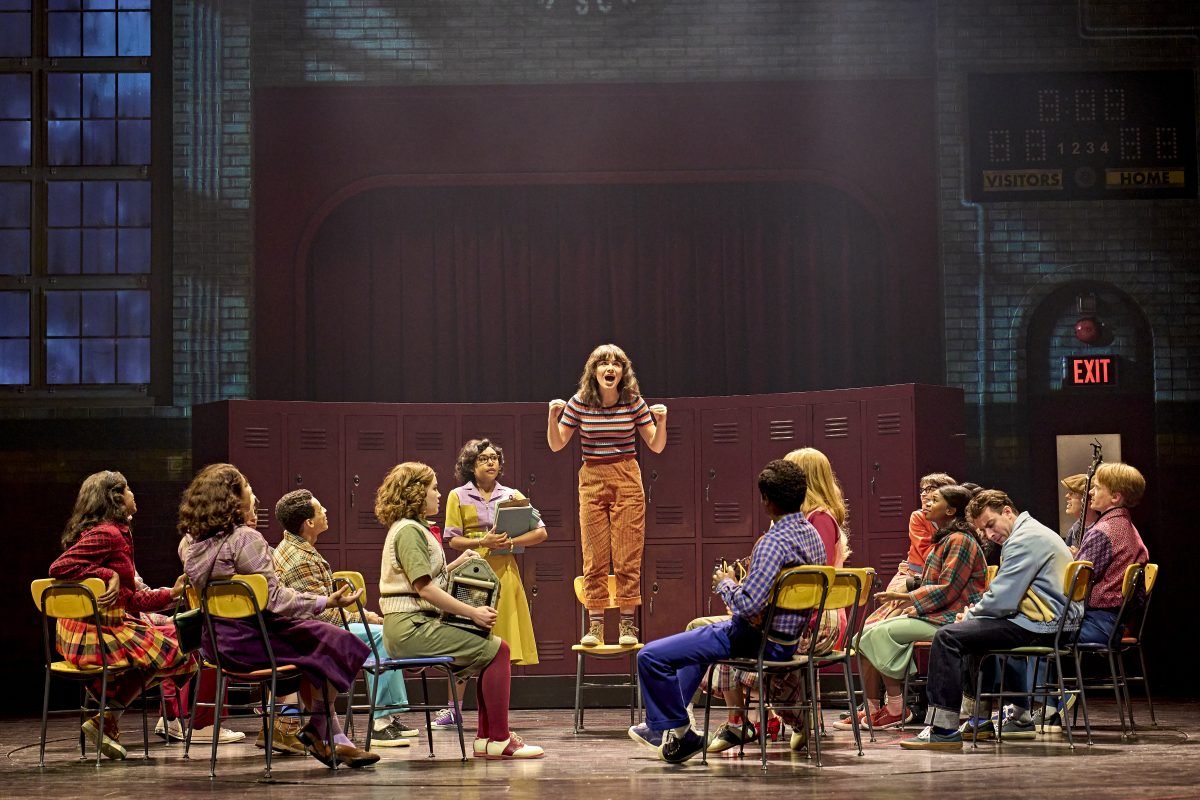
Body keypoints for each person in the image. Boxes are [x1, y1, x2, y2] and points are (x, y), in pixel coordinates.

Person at [179, 463, 379, 768]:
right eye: (247, 487)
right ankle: (319, 728)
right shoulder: (246, 539)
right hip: (252, 641)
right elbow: (274, 599)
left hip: (216, 643)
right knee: (336, 641)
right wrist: (327, 600)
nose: (253, 492)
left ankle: (331, 737)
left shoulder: (191, 544)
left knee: (318, 639)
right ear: (232, 498)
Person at [628, 459, 825, 764]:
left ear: (766, 501)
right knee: (697, 640)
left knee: (650, 657)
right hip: (787, 640)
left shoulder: (772, 543)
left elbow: (748, 605)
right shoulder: (813, 537)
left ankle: (679, 730)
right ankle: (672, 734)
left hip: (756, 639)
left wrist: (727, 584)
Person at [375, 462, 544, 759]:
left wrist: (456, 562)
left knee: (490, 650)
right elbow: (425, 589)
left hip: (415, 624)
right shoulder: (409, 532)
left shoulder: (414, 529)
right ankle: (499, 740)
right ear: (416, 493)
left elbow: (429, 579)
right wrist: (472, 612)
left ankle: (486, 739)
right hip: (411, 628)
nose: (439, 495)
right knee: (498, 650)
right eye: (433, 489)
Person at [900, 489, 1075, 751]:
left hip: (1042, 625)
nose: (990, 535)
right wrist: (973, 618)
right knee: (971, 633)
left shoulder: (1025, 539)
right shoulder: (1032, 532)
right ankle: (1002, 718)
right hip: (1049, 622)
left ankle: (943, 729)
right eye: (983, 531)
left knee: (948, 636)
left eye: (991, 525)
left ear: (1007, 511)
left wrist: (969, 615)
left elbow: (1003, 599)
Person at [705, 447, 850, 753]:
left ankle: (747, 722)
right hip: (797, 613)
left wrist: (733, 588)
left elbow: (809, 581)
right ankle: (761, 719)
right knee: (725, 628)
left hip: (812, 618)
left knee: (732, 634)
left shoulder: (818, 521)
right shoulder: (802, 520)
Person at [47, 470, 197, 760]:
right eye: (128, 490)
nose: (133, 495)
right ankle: (107, 717)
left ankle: (105, 716)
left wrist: (172, 593)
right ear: (115, 499)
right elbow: (58, 568)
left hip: (96, 628)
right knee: (176, 647)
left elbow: (132, 600)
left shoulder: (117, 533)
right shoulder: (108, 534)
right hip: (90, 634)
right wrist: (108, 573)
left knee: (176, 644)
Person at [273, 489, 417, 747]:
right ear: (308, 522)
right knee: (383, 636)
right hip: (313, 631)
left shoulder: (296, 546)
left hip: (317, 625)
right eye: (321, 510)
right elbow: (323, 614)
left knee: (380, 632)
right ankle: (381, 722)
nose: (326, 512)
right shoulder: (299, 558)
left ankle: (388, 714)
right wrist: (366, 617)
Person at [838, 485, 987, 731]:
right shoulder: (946, 539)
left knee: (877, 633)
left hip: (951, 619)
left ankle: (897, 707)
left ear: (950, 510)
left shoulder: (960, 540)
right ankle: (875, 707)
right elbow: (934, 584)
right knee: (862, 635)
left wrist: (910, 601)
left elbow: (948, 588)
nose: (927, 503)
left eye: (934, 500)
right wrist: (910, 602)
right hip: (935, 614)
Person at [547, 343, 667, 646]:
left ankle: (627, 625)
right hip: (592, 477)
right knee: (594, 555)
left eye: (616, 363)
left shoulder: (633, 402)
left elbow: (655, 444)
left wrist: (661, 422)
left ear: (623, 372)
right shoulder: (580, 402)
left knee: (627, 553)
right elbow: (557, 443)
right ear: (594, 371)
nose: (610, 368)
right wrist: (552, 417)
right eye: (603, 363)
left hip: (626, 475)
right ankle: (596, 626)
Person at [433, 439, 548, 730]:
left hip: (504, 574)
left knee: (502, 641)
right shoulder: (457, 496)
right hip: (470, 573)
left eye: (494, 457)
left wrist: (510, 542)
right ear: (471, 465)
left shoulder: (512, 495)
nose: (491, 462)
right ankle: (453, 710)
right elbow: (452, 538)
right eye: (483, 458)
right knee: (465, 637)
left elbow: (541, 532)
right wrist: (481, 541)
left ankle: (496, 710)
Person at [865, 473, 956, 626]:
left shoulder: (956, 528)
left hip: (932, 577)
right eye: (922, 490)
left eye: (931, 489)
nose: (924, 494)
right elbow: (926, 551)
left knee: (906, 608)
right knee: (893, 608)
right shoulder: (918, 517)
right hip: (914, 573)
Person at [1060, 473, 1097, 551]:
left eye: (1073, 493)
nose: (1067, 496)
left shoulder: (1102, 529)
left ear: (1088, 499)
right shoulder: (1075, 528)